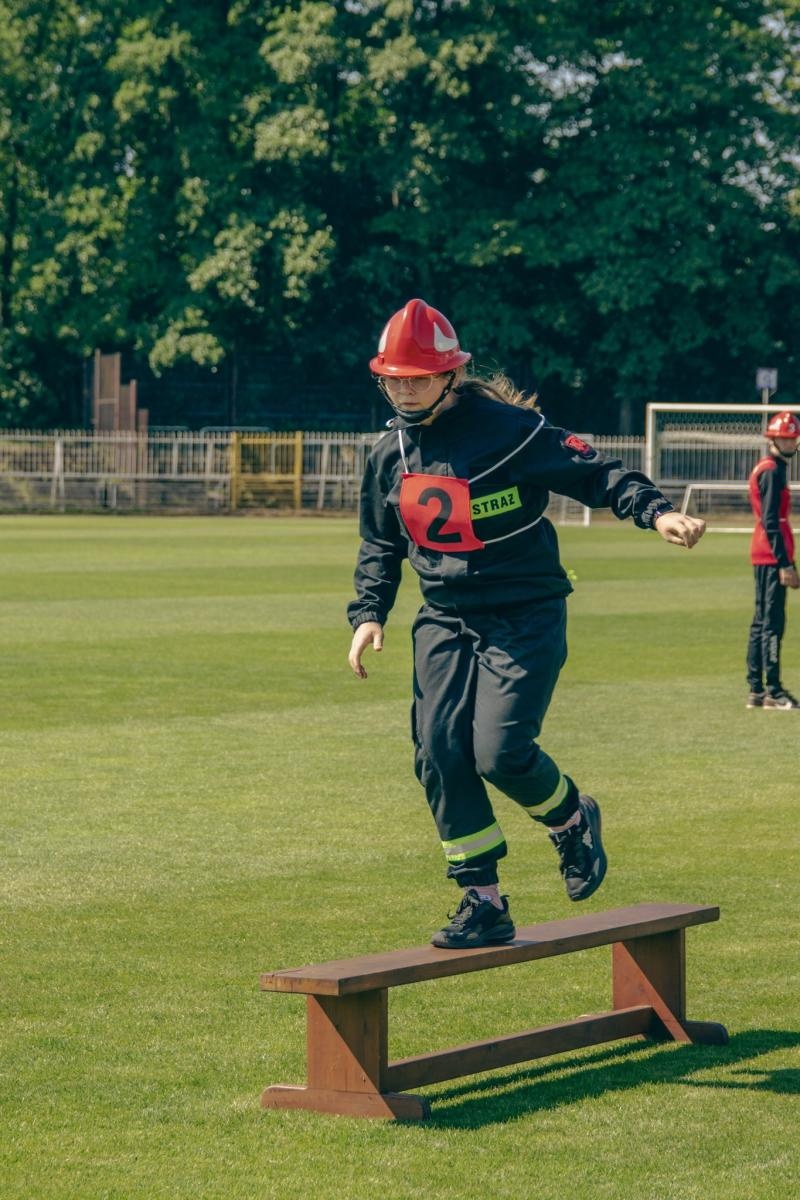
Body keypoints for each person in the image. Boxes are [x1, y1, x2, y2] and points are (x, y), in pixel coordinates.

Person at [347, 298, 706, 949]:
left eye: (418, 378)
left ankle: (571, 821)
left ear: (453, 375)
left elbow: (597, 472)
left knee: (500, 753)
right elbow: (380, 543)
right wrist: (369, 613)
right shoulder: (387, 453)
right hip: (443, 619)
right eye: (393, 379)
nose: (403, 389)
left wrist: (655, 513)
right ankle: (482, 900)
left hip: (526, 613)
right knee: (437, 750)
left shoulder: (514, 430)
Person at [746, 411, 800, 710]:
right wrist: (785, 563)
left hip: (765, 552)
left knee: (761, 622)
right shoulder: (772, 471)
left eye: (793, 438)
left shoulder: (770, 468)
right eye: (786, 438)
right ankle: (773, 691)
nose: (791, 443)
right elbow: (770, 520)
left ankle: (756, 689)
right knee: (771, 623)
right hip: (770, 554)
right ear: (774, 438)